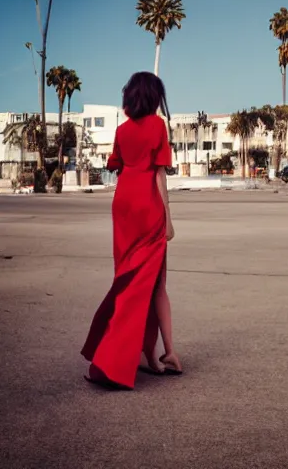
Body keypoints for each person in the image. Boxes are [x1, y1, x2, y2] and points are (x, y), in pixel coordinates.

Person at [81, 72, 182, 390]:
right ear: (155, 97)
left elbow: (115, 165)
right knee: (156, 284)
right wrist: (168, 218)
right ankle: (168, 353)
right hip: (147, 206)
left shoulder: (122, 130)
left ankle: (149, 357)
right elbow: (159, 176)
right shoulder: (157, 125)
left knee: (128, 280)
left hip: (123, 206)